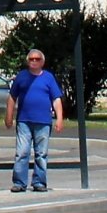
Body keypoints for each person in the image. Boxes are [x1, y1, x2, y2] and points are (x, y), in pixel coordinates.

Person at [6, 48, 64, 192]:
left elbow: (56, 99)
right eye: (31, 59)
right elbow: (12, 97)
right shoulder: (21, 77)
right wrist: (9, 116)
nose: (34, 61)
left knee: (41, 154)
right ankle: (19, 182)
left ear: (42, 62)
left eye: (37, 59)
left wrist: (59, 118)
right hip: (24, 121)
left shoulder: (48, 78)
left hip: (43, 122)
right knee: (22, 153)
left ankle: (39, 182)